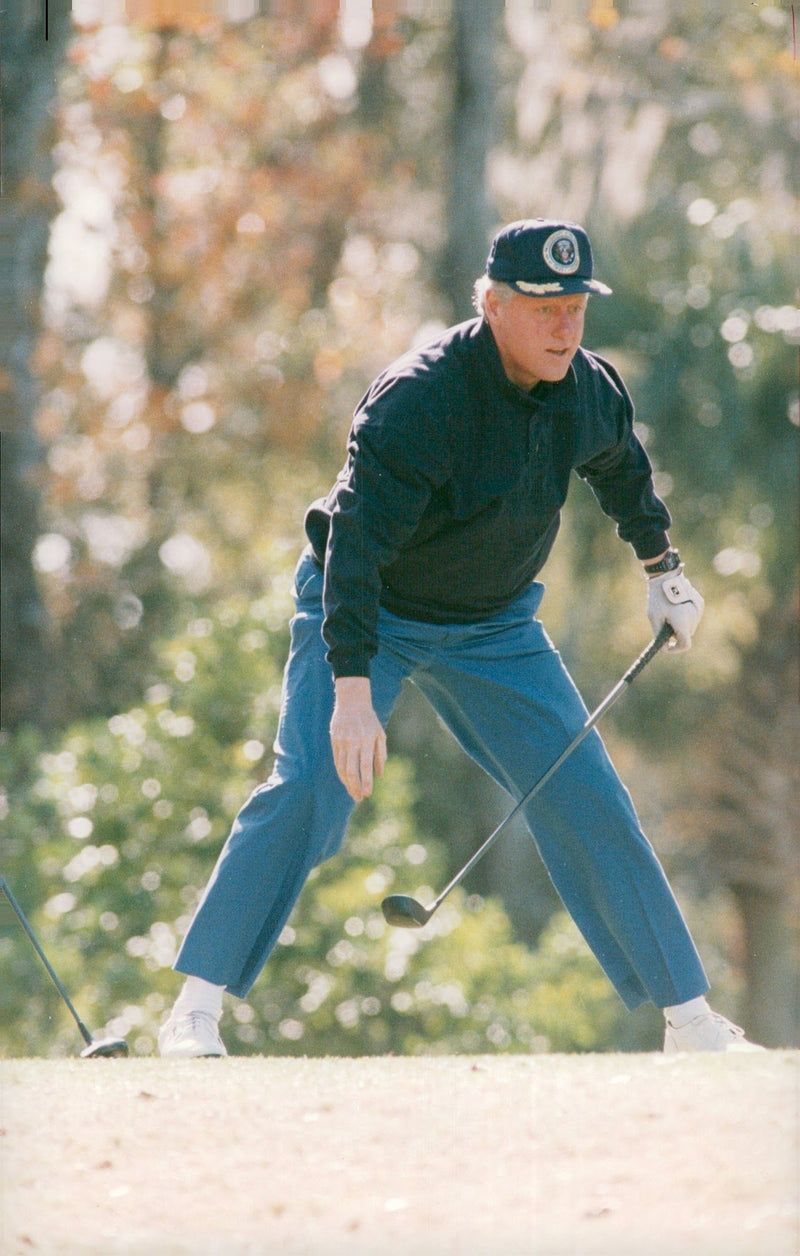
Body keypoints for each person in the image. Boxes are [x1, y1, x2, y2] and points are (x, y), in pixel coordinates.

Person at [157, 218, 759, 1058]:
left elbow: (621, 469)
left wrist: (664, 568)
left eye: (576, 307)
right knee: (308, 789)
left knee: (587, 795)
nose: (564, 327)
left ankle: (690, 1022)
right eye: (544, 307)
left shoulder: (588, 388)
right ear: (494, 304)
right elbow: (355, 552)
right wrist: (355, 696)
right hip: (371, 612)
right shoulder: (422, 398)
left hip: (495, 627)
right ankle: (195, 1007)